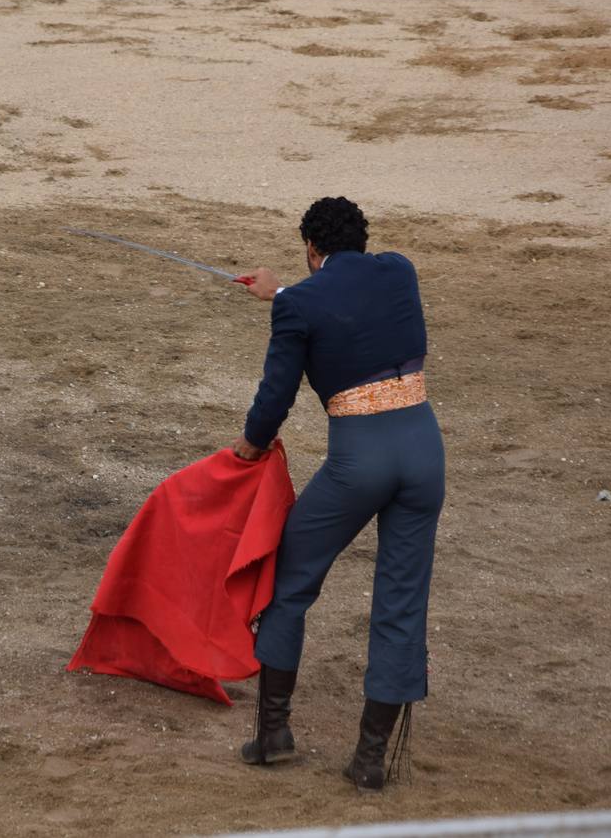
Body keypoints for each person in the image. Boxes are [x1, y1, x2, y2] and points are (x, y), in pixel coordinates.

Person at [231, 196, 444, 792]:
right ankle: (371, 760)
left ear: (310, 249)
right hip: (424, 452)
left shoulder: (299, 301)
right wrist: (283, 296)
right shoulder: (399, 270)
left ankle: (273, 734)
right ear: (362, 239)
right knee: (401, 602)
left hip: (360, 459)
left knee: (291, 577)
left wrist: (250, 446)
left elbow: (277, 394)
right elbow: (353, 305)